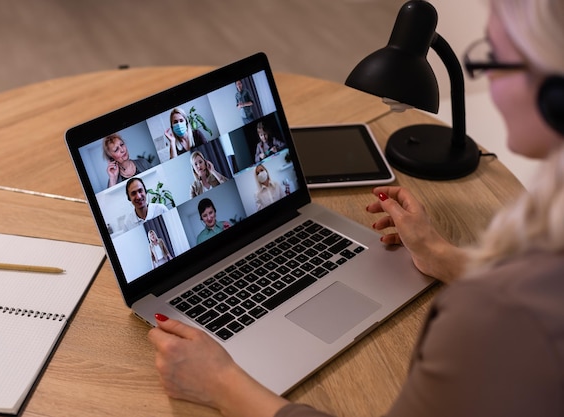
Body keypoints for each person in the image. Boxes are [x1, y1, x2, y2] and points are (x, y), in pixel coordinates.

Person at [147, 0, 564, 416]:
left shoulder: (488, 315)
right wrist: (443, 257)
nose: (487, 78)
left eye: (495, 58)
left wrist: (221, 384)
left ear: (555, 94)